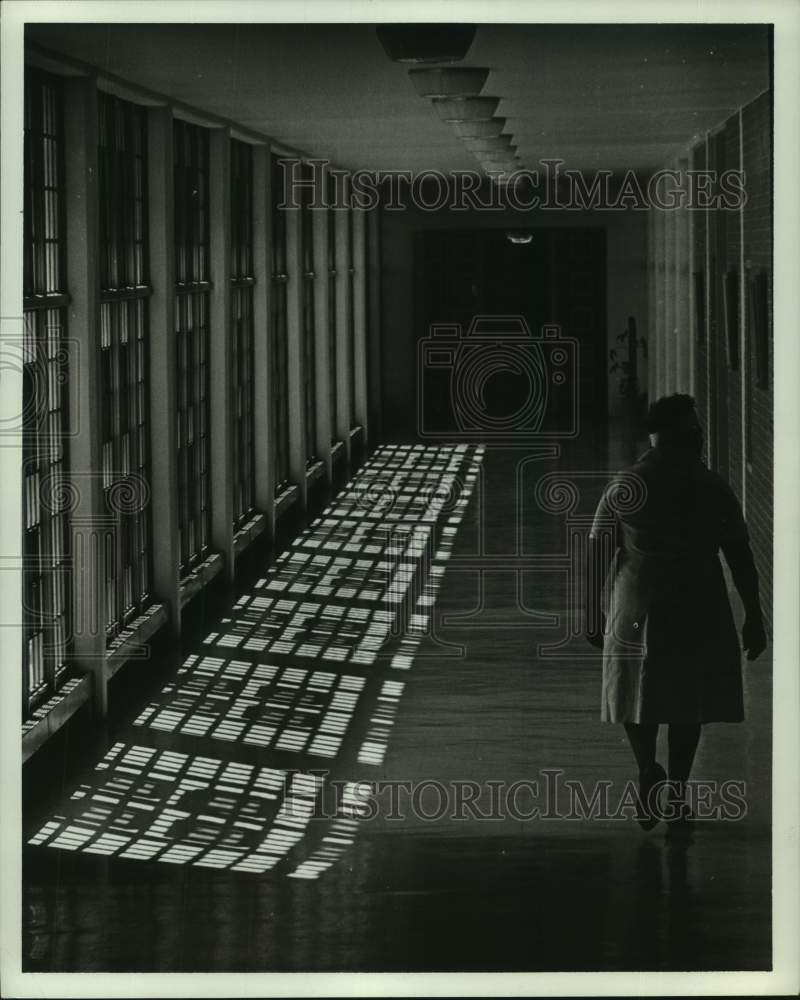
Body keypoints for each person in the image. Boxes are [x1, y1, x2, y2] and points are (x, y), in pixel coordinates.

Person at [585, 393, 767, 830]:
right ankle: (679, 793)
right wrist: (754, 615)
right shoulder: (711, 486)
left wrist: (590, 612)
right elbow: (740, 555)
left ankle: (648, 767)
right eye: (696, 429)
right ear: (689, 436)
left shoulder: (626, 484)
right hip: (697, 603)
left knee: (635, 695)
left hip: (636, 604)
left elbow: (597, 553)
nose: (701, 436)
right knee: (689, 701)